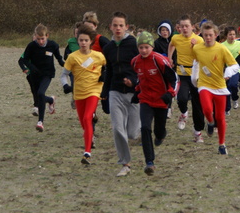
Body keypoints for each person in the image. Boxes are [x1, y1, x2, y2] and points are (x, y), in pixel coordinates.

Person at [131, 32, 178, 175]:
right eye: (141, 47)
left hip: (161, 100)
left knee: (159, 130)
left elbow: (174, 79)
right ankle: (149, 162)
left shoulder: (159, 60)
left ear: (152, 47)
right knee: (145, 128)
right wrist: (136, 92)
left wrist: (169, 94)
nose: (143, 50)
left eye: (146, 47)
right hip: (145, 100)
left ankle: (161, 135)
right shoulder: (135, 61)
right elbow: (140, 79)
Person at [100, 12, 141, 177]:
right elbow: (108, 70)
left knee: (131, 133)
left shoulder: (134, 45)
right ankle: (125, 163)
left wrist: (134, 81)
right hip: (115, 92)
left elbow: (140, 67)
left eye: (121, 25)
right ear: (110, 27)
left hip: (134, 93)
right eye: (115, 25)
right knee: (118, 129)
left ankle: (142, 134)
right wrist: (104, 94)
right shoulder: (108, 47)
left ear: (126, 27)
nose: (117, 28)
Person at [191, 21, 240, 155]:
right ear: (202, 34)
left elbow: (235, 66)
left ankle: (222, 144)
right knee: (207, 109)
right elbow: (195, 62)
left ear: (216, 35)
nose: (207, 38)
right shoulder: (197, 48)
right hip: (204, 85)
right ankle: (210, 123)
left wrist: (227, 73)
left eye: (210, 35)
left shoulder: (222, 49)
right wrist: (194, 78)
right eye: (205, 35)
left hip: (219, 86)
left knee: (220, 117)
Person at [60, 24, 106, 164]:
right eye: (81, 40)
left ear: (91, 41)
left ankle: (87, 153)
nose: (84, 43)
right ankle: (89, 135)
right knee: (84, 124)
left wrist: (104, 78)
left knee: (87, 118)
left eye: (86, 40)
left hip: (94, 91)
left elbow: (107, 68)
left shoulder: (99, 56)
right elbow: (63, 75)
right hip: (79, 93)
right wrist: (66, 85)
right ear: (77, 40)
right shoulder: (72, 57)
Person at [18, 24, 64, 132]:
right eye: (38, 39)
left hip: (47, 74)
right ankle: (51, 100)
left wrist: (67, 65)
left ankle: (40, 122)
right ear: (35, 36)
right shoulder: (31, 46)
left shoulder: (53, 45)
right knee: (39, 96)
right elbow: (24, 60)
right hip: (35, 75)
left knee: (40, 93)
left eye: (42, 39)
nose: (40, 42)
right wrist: (32, 68)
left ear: (47, 36)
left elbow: (59, 59)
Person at [167, 14, 205, 142]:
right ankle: (183, 113)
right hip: (181, 73)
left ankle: (198, 132)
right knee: (181, 98)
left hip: (195, 74)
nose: (184, 29)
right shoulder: (176, 38)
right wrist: (170, 57)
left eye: (187, 26)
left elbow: (204, 56)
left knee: (197, 104)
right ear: (179, 28)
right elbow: (171, 45)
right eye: (182, 26)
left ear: (192, 27)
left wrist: (196, 47)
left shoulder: (199, 40)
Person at [154, 19, 175, 118]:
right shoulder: (157, 43)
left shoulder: (174, 42)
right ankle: (161, 106)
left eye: (166, 30)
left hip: (172, 69)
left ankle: (169, 108)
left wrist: (174, 61)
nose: (164, 32)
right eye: (162, 30)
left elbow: (177, 54)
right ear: (159, 31)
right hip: (160, 69)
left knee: (170, 88)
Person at [220, 26, 240, 113]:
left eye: (233, 34)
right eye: (230, 34)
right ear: (226, 35)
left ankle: (235, 98)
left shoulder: (239, 43)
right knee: (227, 88)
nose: (232, 36)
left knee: (233, 85)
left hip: (236, 68)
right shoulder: (222, 46)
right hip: (225, 69)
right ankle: (227, 108)